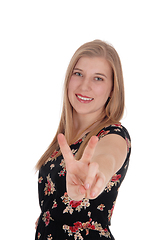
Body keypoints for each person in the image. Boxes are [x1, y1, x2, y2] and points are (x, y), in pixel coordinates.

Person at [35, 39, 131, 240]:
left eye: (98, 78)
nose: (84, 86)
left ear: (113, 89)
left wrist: (95, 175)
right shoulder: (65, 141)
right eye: (78, 74)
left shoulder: (113, 135)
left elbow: (107, 157)